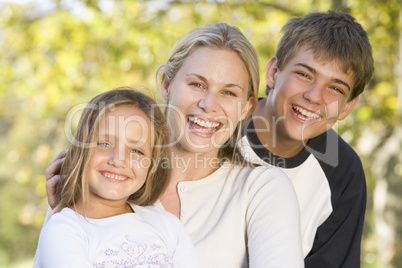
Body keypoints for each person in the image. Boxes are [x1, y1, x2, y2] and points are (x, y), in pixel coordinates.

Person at [43, 23, 304, 267]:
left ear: (247, 106)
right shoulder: (108, 175)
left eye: (229, 92)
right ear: (167, 84)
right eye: (197, 84)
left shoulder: (262, 189)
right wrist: (71, 207)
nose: (208, 104)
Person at [238, 11, 374, 267]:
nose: (314, 96)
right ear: (274, 72)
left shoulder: (342, 172)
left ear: (347, 107)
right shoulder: (219, 127)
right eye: (304, 74)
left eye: (335, 88)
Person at [34, 88, 202, 267]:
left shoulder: (167, 225)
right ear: (80, 150)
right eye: (105, 143)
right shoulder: (64, 230)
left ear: (152, 164)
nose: (118, 160)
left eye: (137, 151)